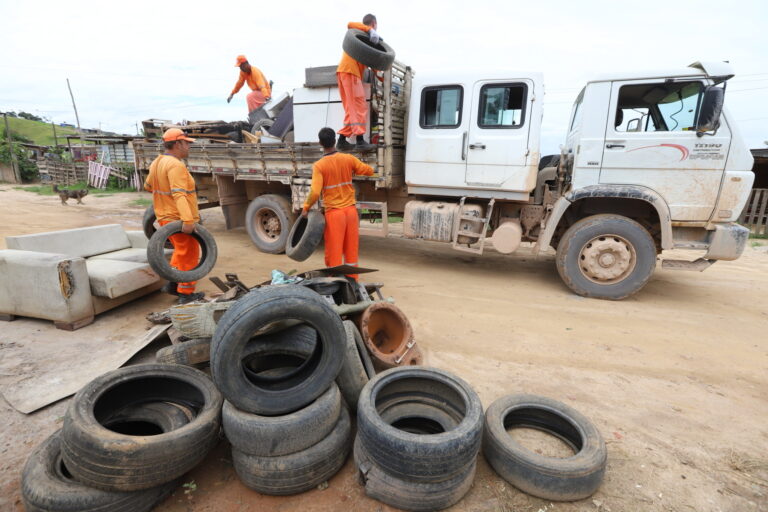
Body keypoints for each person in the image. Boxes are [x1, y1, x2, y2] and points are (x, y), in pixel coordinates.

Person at [302, 127, 375, 280]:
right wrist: (364, 170)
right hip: (351, 212)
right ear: (335, 141)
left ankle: (334, 282)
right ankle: (352, 282)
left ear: (320, 143)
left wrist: (305, 208)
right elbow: (367, 170)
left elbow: (315, 192)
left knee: (334, 253)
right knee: (351, 252)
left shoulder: (319, 166)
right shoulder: (348, 159)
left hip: (335, 214)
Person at [144, 128, 204, 305]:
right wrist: (187, 220)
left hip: (164, 217)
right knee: (190, 254)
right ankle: (186, 294)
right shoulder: (176, 165)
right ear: (177, 144)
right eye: (187, 143)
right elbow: (179, 194)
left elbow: (148, 186)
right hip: (177, 218)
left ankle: (173, 284)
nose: (189, 147)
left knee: (180, 251)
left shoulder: (158, 162)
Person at [336, 14, 379, 152]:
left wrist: (382, 77)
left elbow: (375, 64)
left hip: (345, 72)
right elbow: (349, 24)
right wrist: (369, 30)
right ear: (374, 23)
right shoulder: (362, 33)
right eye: (375, 26)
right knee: (359, 106)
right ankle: (360, 141)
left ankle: (342, 140)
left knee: (352, 109)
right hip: (350, 72)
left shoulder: (366, 40)